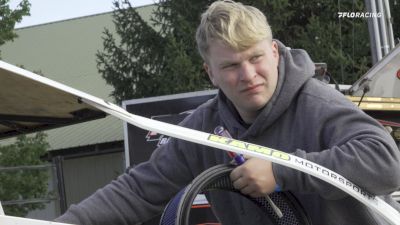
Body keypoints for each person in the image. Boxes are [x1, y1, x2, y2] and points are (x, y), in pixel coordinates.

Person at [56, 1, 400, 224]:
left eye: (256, 58)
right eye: (232, 65)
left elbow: (386, 162)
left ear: (276, 52)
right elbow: (138, 191)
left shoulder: (318, 105)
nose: (248, 75)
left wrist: (282, 171)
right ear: (210, 73)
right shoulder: (205, 129)